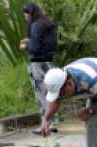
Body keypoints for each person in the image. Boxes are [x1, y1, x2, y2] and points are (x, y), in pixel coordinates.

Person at [20, 2, 57, 135]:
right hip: (49, 63)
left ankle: (45, 124)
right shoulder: (48, 23)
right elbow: (49, 44)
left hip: (37, 64)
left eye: (25, 14)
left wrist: (26, 46)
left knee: (41, 94)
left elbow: (35, 49)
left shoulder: (35, 25)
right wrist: (30, 41)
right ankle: (53, 122)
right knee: (51, 93)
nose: (25, 17)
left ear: (29, 13)